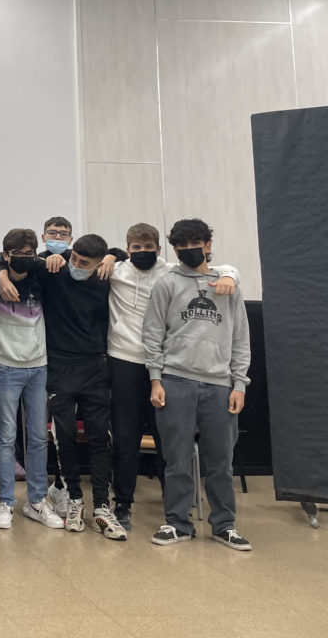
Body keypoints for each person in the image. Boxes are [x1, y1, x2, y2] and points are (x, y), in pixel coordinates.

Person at [104, 223, 238, 531]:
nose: (142, 252)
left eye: (148, 247)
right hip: (123, 360)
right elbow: (84, 263)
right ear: (127, 249)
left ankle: (175, 506)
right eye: (136, 248)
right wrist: (110, 256)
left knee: (170, 440)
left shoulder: (169, 272)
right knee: (125, 437)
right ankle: (122, 503)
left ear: (159, 250)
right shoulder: (116, 272)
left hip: (164, 366)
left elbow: (220, 270)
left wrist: (231, 275)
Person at [0, 232, 127, 540]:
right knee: (64, 435)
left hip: (95, 365)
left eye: (85, 263)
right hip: (59, 365)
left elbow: (132, 254)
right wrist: (1, 273)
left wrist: (115, 255)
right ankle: (74, 499)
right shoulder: (54, 270)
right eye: (75, 259)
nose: (77, 266)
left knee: (99, 436)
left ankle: (102, 505)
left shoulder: (106, 277)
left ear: (98, 264)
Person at [144, 219, 252, 551]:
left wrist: (239, 384)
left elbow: (240, 338)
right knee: (176, 459)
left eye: (195, 243)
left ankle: (224, 525)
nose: (189, 249)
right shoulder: (166, 284)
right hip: (175, 380)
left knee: (220, 461)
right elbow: (153, 334)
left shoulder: (228, 284)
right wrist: (155, 379)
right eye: (182, 245)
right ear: (174, 249)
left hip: (220, 385)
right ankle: (178, 523)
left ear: (207, 244)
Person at [0, 229, 64, 531]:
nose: (25, 258)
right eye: (18, 254)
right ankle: (6, 501)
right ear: (6, 255)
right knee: (5, 437)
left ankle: (37, 501)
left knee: (39, 437)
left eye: (30, 253)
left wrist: (58, 257)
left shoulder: (41, 275)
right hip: (5, 367)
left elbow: (70, 259)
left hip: (39, 366)